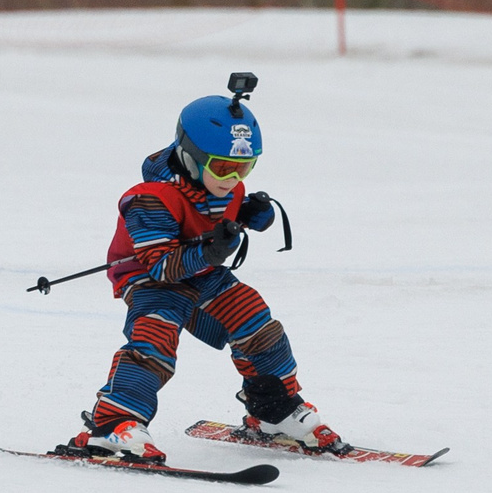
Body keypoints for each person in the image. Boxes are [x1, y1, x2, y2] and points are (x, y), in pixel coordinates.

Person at [67, 78, 343, 463]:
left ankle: (274, 410)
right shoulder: (150, 200)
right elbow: (162, 267)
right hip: (151, 278)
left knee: (254, 318)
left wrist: (249, 215)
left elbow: (218, 212)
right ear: (190, 157)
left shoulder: (225, 187)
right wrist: (211, 251)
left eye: (245, 167)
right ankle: (114, 423)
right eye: (225, 167)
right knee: (156, 337)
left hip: (202, 273)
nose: (233, 179)